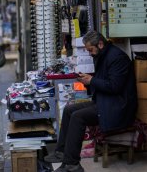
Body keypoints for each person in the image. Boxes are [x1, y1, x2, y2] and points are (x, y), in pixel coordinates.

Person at [44, 31, 138, 172]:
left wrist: (92, 80)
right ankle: (62, 152)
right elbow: (103, 82)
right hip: (105, 101)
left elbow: (114, 86)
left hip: (118, 106)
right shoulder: (103, 55)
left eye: (90, 50)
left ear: (100, 44)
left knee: (78, 117)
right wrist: (88, 81)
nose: (89, 53)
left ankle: (72, 164)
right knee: (70, 110)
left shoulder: (117, 58)